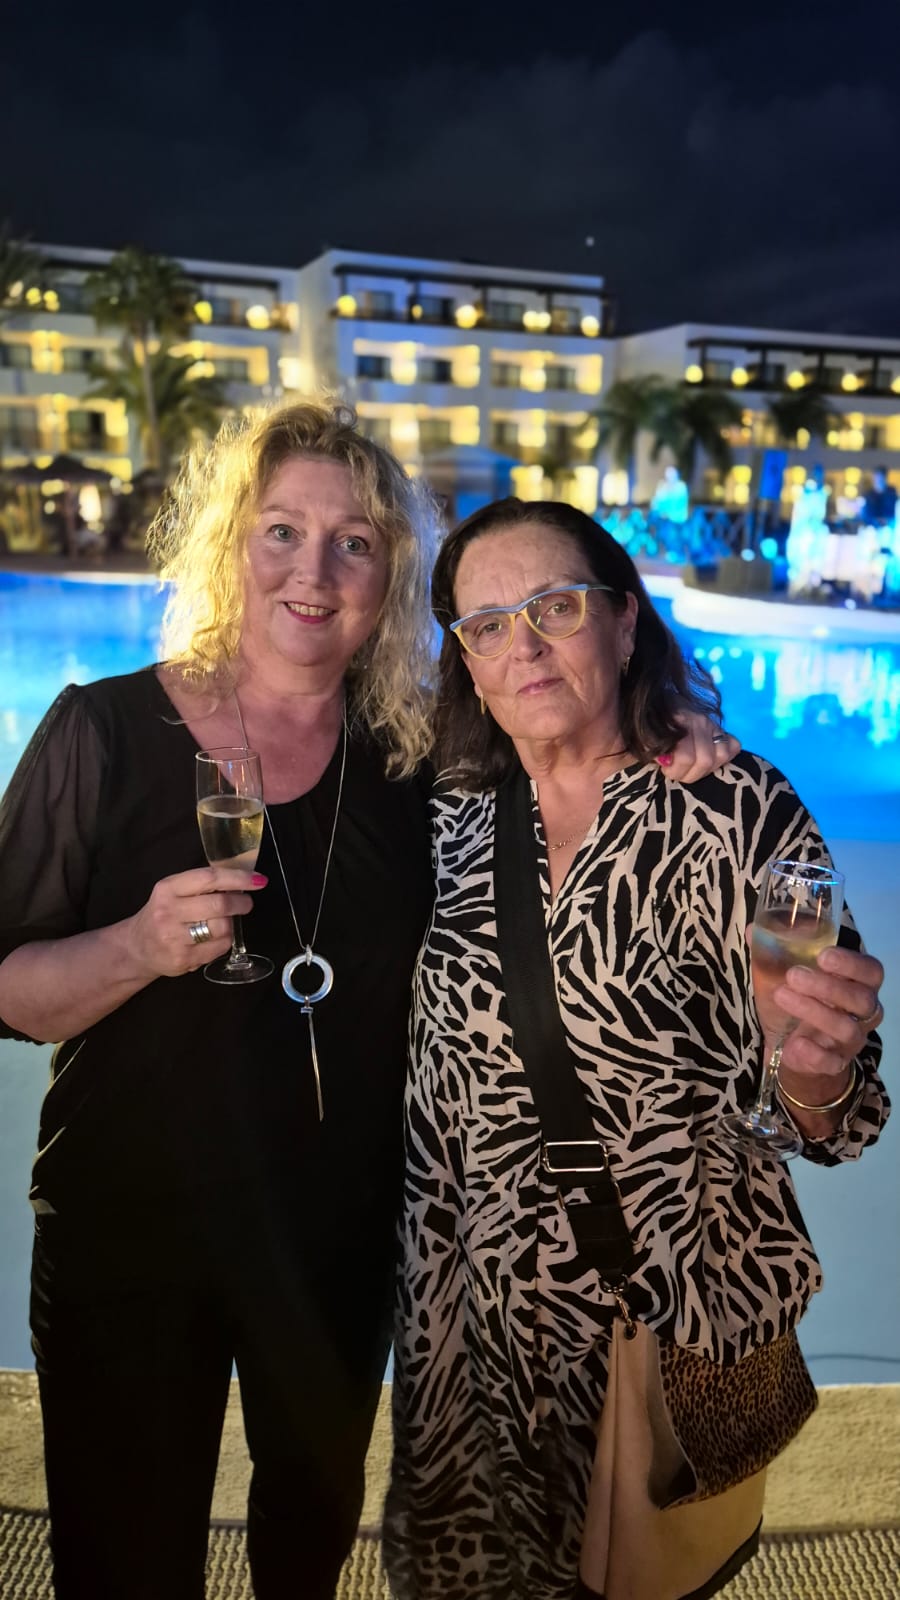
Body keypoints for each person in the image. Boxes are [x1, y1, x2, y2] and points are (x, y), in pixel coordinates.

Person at [0, 403, 737, 1600]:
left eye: (355, 541)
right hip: (126, 1233)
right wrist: (138, 945)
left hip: (334, 1244)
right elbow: (15, 992)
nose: (314, 569)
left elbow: (570, 733)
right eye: (281, 529)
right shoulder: (100, 728)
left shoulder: (416, 759)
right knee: (122, 1559)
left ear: (391, 572)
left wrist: (674, 726)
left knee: (309, 1546)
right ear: (231, 541)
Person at [383, 497, 889, 1600]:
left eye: (554, 607)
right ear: (464, 661)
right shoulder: (443, 817)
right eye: (486, 625)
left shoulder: (738, 813)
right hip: (471, 1329)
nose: (522, 646)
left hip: (659, 1312)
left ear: (623, 622)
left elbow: (833, 1113)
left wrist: (811, 1062)